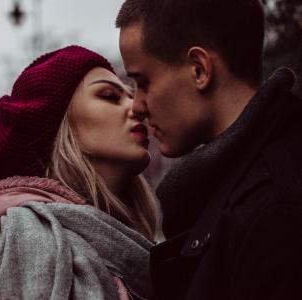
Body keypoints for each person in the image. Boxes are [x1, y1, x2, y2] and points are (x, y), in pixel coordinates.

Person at [116, 0, 302, 299]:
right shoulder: (249, 192)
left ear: (199, 70)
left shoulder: (276, 213)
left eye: (144, 82)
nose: (137, 106)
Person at [0, 45, 161, 299]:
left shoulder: (118, 244)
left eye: (130, 95)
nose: (137, 107)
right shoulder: (37, 246)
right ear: (61, 127)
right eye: (110, 96)